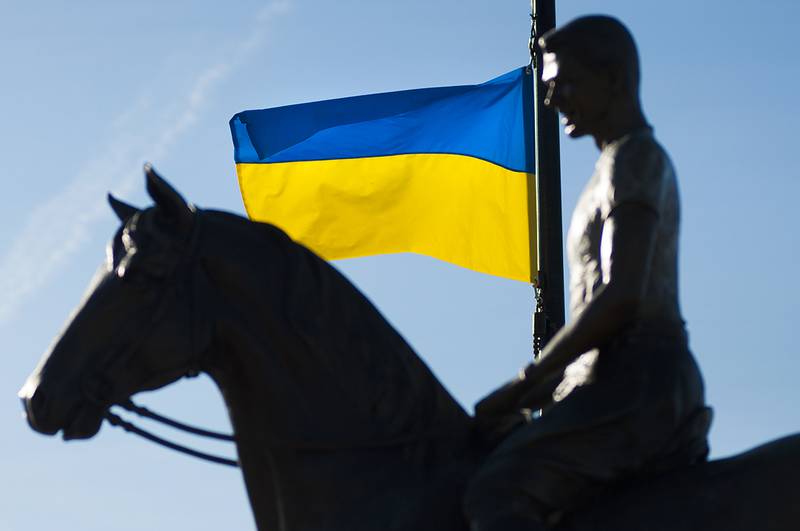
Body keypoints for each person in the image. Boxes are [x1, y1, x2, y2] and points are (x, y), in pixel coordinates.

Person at [463, 15, 711, 531]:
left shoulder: (634, 159)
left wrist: (526, 383)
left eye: (563, 82)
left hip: (638, 382)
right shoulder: (612, 167)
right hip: (611, 382)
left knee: (498, 491)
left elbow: (622, 297)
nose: (552, 99)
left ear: (613, 79)